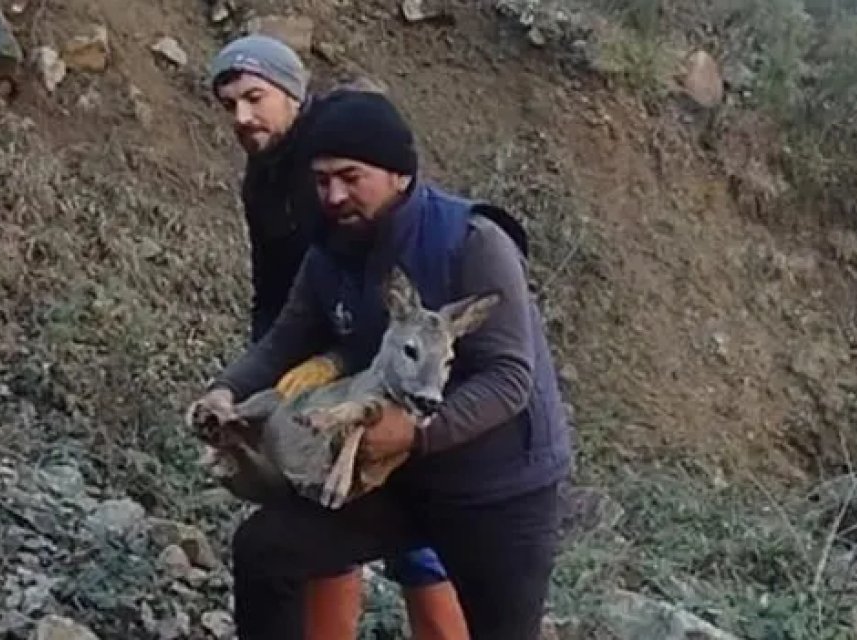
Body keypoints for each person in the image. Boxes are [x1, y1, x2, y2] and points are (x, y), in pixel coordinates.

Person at [190, 89, 572, 639]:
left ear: (399, 174)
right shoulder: (330, 254)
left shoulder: (471, 242)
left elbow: (510, 378)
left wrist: (416, 435)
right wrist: (225, 393)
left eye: (350, 176)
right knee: (266, 550)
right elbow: (282, 343)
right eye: (321, 181)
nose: (335, 195)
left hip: (499, 487)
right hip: (393, 481)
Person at [205, 34, 468, 638]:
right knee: (317, 506)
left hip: (382, 365)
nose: (243, 117)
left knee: (416, 540)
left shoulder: (337, 162)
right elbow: (276, 289)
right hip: (303, 363)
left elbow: (377, 285)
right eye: (230, 105)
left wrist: (334, 359)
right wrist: (257, 376)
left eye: (255, 97)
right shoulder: (263, 177)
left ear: (292, 94)